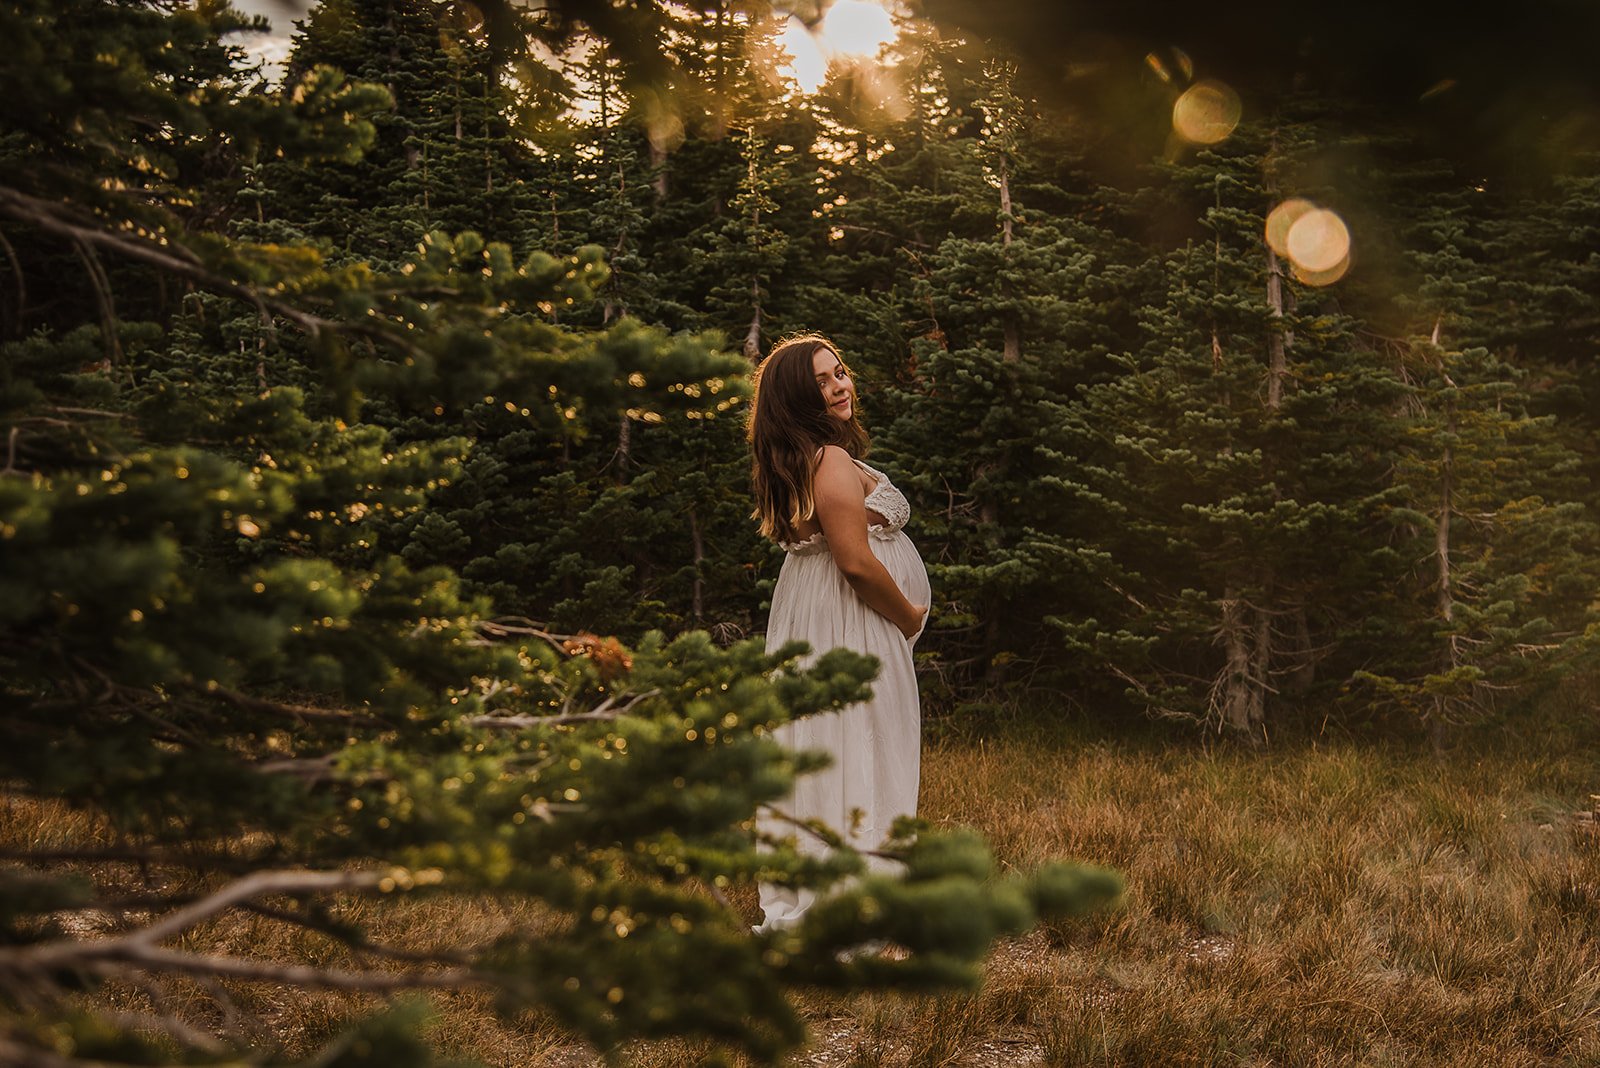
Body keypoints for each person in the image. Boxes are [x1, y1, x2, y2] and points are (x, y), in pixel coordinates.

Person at [747, 333, 930, 932]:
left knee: (832, 745)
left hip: (816, 612)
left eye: (841, 372)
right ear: (799, 398)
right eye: (822, 382)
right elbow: (853, 560)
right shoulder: (827, 460)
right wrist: (908, 616)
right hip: (849, 617)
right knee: (861, 744)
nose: (840, 386)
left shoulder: (800, 457)